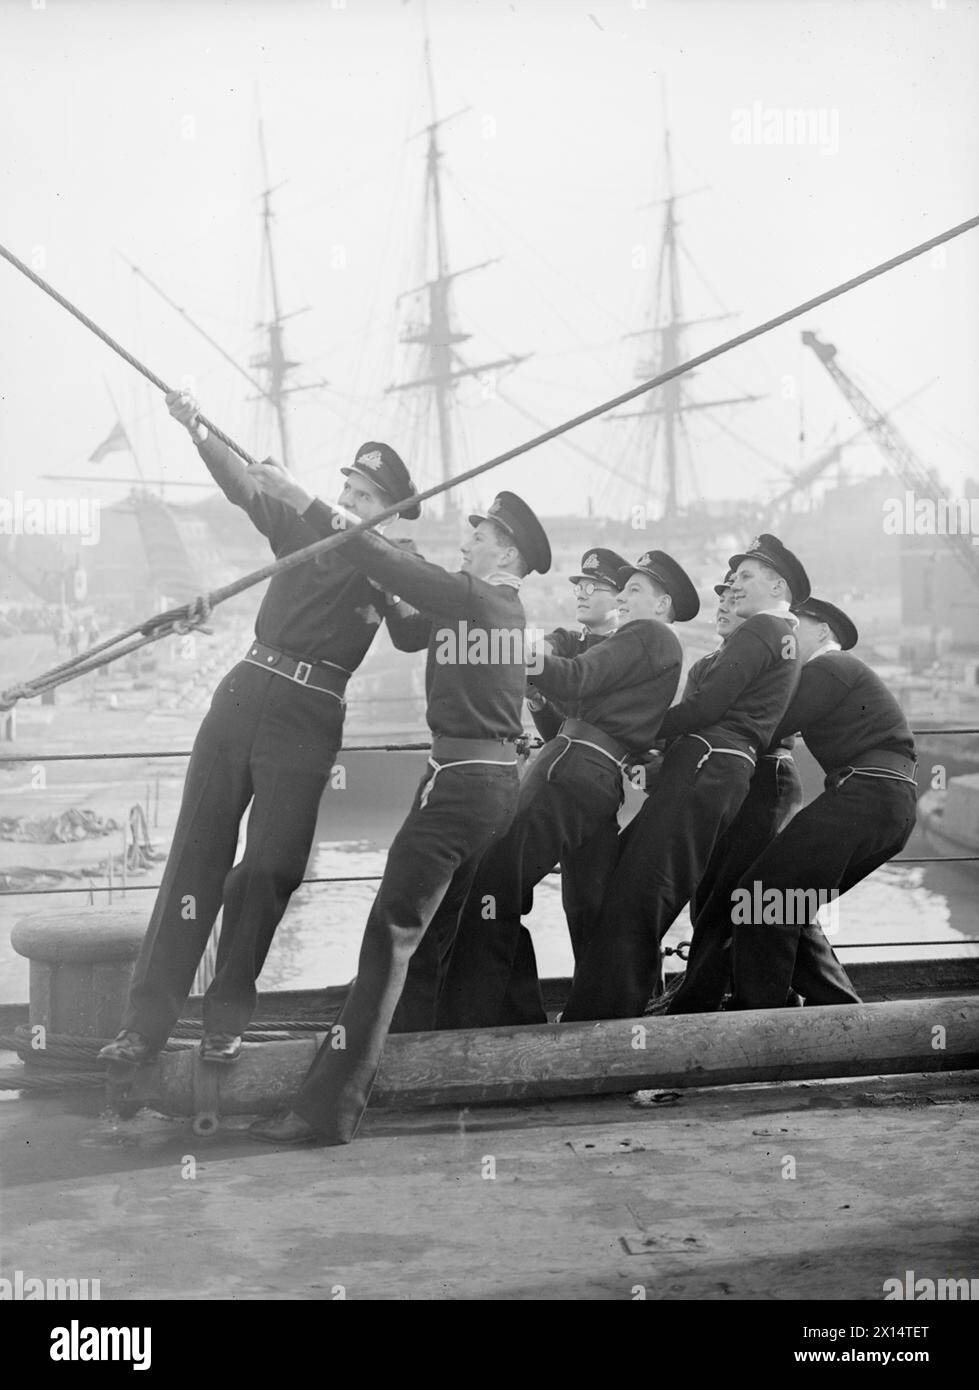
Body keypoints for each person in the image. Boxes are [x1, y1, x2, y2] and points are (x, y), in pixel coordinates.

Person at [98, 390, 422, 1069]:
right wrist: (198, 429)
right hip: (244, 693)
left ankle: (225, 1017)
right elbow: (246, 488)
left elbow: (416, 631)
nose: (350, 501)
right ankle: (144, 1025)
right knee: (195, 856)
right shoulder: (303, 530)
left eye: (364, 496)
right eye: (349, 488)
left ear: (387, 510)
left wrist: (395, 589)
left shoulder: (390, 559)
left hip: (308, 717)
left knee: (270, 866)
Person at [244, 480, 552, 1145]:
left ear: (506, 552)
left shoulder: (476, 596)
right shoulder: (495, 609)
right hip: (488, 784)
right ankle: (407, 1078)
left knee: (390, 935)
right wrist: (385, 584)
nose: (465, 540)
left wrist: (316, 506)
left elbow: (380, 559)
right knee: (431, 936)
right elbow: (413, 631)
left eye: (478, 534)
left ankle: (327, 1109)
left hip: (460, 784)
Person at [435, 549, 697, 1030]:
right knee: (591, 901)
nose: (622, 595)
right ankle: (604, 1019)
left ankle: (501, 1018)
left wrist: (509, 649)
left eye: (634, 589)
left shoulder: (646, 633)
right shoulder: (659, 646)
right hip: (602, 780)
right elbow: (580, 692)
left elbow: (577, 677)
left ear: (662, 605)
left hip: (568, 766)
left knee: (492, 883)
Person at [561, 533, 809, 1022]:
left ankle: (602, 1022)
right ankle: (611, 1012)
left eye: (745, 577)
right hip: (714, 767)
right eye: (733, 577)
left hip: (705, 761)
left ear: (777, 584)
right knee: (639, 885)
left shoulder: (761, 629)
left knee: (639, 895)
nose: (733, 586)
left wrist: (629, 731)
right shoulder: (781, 636)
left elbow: (705, 708)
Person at [729, 598, 917, 1009]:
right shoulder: (836, 673)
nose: (786, 637)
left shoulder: (828, 667)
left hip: (864, 795)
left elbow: (772, 723)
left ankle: (762, 1017)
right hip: (889, 801)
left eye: (795, 625)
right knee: (789, 903)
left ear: (822, 632)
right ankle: (841, 1014)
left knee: (761, 896)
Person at [663, 572, 805, 1013]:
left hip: (764, 775)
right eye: (720, 596)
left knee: (734, 892)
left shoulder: (767, 641)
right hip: (741, 773)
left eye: (735, 591)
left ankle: (705, 1000)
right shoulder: (721, 657)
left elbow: (764, 715)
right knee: (720, 889)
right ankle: (720, 991)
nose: (724, 602)